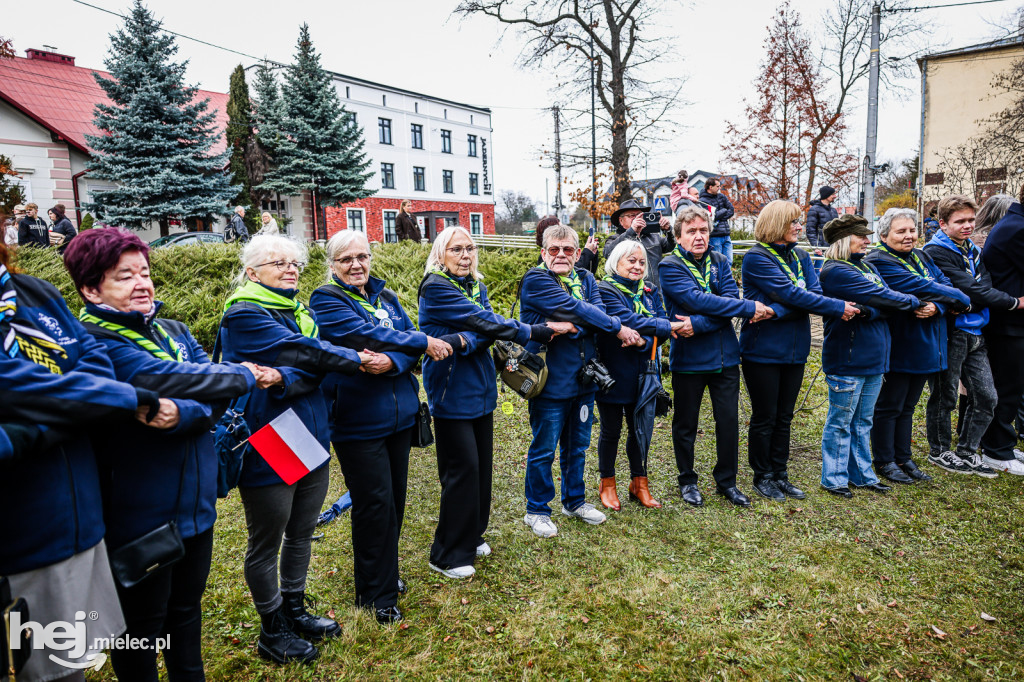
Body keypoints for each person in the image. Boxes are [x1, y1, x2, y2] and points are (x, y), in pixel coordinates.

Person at [63, 228, 266, 679]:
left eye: (145, 272)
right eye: (124, 276)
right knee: (141, 629)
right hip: (139, 516)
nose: (142, 283)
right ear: (91, 288)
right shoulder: (94, 343)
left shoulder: (170, 329)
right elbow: (169, 379)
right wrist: (241, 375)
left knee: (186, 613)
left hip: (195, 506)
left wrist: (185, 410)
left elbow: (204, 387)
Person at [0, 240, 159, 682]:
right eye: (125, 276)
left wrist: (31, 424)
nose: (140, 283)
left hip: (78, 521)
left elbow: (95, 368)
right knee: (31, 670)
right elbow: (15, 381)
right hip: (19, 538)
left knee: (69, 664)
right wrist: (94, 402)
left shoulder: (34, 292)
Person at [219, 235, 374, 664]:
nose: (290, 269)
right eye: (277, 263)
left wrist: (288, 376)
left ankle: (294, 608)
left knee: (302, 530)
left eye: (294, 262)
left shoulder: (298, 311)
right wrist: (352, 358)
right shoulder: (245, 313)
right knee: (266, 541)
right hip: (270, 437)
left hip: (309, 431)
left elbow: (312, 369)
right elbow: (310, 353)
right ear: (252, 273)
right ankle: (272, 630)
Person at [309, 230, 452, 623]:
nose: (356, 265)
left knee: (395, 502)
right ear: (333, 265)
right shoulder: (327, 299)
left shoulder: (386, 297)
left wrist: (395, 360)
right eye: (346, 260)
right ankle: (376, 594)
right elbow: (362, 336)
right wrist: (415, 343)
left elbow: (404, 343)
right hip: (358, 421)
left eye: (362, 257)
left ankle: (385, 573)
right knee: (373, 505)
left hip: (400, 417)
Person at [418, 226, 572, 572]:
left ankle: (472, 534)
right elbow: (484, 322)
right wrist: (530, 330)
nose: (465, 255)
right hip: (450, 389)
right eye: (456, 249)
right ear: (441, 254)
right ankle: (447, 554)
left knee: (481, 469)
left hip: (481, 387)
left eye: (470, 249)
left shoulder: (477, 286)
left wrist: (465, 340)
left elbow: (484, 329)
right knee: (461, 470)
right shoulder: (436, 286)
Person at [520, 224, 642, 537]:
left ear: (577, 253)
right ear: (544, 252)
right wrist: (598, 321)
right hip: (549, 381)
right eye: (554, 249)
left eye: (568, 250)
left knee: (577, 447)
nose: (561, 255)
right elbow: (576, 307)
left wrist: (575, 326)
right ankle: (537, 510)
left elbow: (593, 316)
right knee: (544, 448)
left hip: (585, 380)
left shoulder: (587, 278)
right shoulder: (536, 279)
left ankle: (573, 501)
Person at [740, 200, 858, 500]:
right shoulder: (756, 258)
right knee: (765, 416)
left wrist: (775, 311)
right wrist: (829, 306)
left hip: (796, 348)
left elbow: (812, 295)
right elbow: (795, 295)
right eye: (793, 222)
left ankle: (780, 474)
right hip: (762, 350)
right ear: (777, 224)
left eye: (799, 221)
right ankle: (762, 476)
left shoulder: (801, 255)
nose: (799, 227)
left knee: (785, 416)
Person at [660, 206, 776, 508]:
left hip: (725, 358)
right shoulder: (669, 265)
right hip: (689, 360)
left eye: (703, 231)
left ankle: (727, 482)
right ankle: (687, 480)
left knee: (728, 422)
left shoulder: (721, 260)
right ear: (679, 236)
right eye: (691, 232)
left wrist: (697, 322)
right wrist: (743, 308)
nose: (699, 237)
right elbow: (693, 299)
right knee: (686, 424)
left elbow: (728, 302)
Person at [817, 215, 921, 498]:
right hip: (847, 358)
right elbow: (884, 297)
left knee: (863, 421)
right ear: (842, 240)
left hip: (875, 358)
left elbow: (886, 300)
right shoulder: (835, 271)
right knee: (841, 422)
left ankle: (862, 475)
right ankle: (834, 478)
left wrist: (867, 309)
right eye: (861, 236)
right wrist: (905, 303)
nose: (867, 240)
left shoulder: (867, 265)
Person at [865, 208, 970, 484]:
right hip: (901, 343)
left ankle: (904, 457)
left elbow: (941, 284)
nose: (909, 236)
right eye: (901, 231)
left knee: (909, 405)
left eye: (912, 230)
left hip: (927, 343)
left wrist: (938, 305)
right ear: (884, 234)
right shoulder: (880, 260)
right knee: (890, 405)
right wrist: (960, 297)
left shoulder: (921, 255)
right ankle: (885, 460)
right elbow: (917, 284)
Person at [923, 194, 1024, 476]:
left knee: (987, 396)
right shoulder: (936, 251)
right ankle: (940, 451)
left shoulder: (972, 249)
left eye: (971, 220)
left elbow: (981, 287)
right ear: (943, 224)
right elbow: (965, 288)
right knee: (945, 396)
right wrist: (1011, 301)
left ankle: (968, 449)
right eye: (960, 221)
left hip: (976, 329)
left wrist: (969, 302)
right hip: (953, 333)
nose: (967, 226)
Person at [594, 240, 681, 511]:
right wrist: (659, 327)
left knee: (639, 429)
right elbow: (622, 318)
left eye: (642, 262)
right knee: (611, 430)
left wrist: (643, 341)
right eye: (631, 260)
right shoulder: (604, 289)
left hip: (643, 371)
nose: (637, 266)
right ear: (616, 262)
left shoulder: (650, 290)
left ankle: (639, 483)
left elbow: (661, 324)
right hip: (611, 370)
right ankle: (607, 484)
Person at [981, 186, 1024, 471]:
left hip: (1012, 324)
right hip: (1009, 323)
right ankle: (997, 450)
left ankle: (1003, 443)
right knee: (1006, 389)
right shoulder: (1017, 228)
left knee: (1012, 388)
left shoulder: (1015, 223)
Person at [602, 199, 674, 287]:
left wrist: (668, 230)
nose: (637, 218)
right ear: (621, 221)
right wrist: (632, 231)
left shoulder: (653, 236)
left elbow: (671, 246)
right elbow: (607, 253)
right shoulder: (615, 238)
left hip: (655, 292)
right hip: (629, 293)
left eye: (639, 215)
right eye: (632, 216)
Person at [699, 178, 735, 264]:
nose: (719, 188)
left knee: (729, 261)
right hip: (715, 236)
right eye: (717, 186)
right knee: (717, 262)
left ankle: (727, 277)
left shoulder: (722, 196)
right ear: (710, 187)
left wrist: (719, 216)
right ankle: (718, 278)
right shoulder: (703, 201)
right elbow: (710, 217)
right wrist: (723, 211)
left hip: (726, 234)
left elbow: (731, 210)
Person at [805, 186, 839, 257]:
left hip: (833, 248)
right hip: (820, 249)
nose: (835, 196)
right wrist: (816, 247)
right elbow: (810, 230)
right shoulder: (814, 209)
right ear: (826, 195)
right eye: (832, 194)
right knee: (819, 267)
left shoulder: (833, 210)